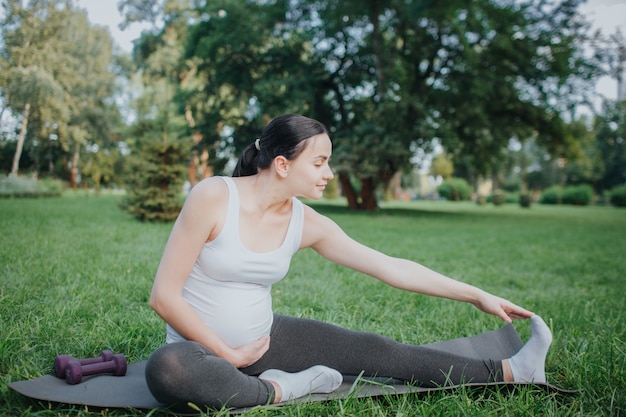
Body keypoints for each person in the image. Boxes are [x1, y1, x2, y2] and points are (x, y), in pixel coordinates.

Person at [145, 114, 552, 411]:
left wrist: (476, 295)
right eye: (320, 162)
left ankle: (514, 370)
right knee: (166, 371)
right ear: (283, 165)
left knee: (379, 352)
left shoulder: (307, 222)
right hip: (198, 353)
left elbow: (390, 266)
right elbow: (164, 297)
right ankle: (285, 389)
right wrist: (229, 355)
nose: (330, 173)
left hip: (267, 339)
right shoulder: (214, 197)